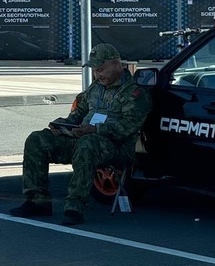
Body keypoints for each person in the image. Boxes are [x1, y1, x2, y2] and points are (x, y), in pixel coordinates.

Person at [10, 43, 152, 226]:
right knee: (37, 139)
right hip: (83, 138)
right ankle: (37, 202)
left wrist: (95, 130)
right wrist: (61, 126)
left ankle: (75, 207)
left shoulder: (134, 94)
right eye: (95, 70)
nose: (97, 74)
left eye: (101, 69)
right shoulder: (95, 89)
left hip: (115, 146)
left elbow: (128, 127)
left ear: (116, 64)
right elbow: (77, 115)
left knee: (88, 144)